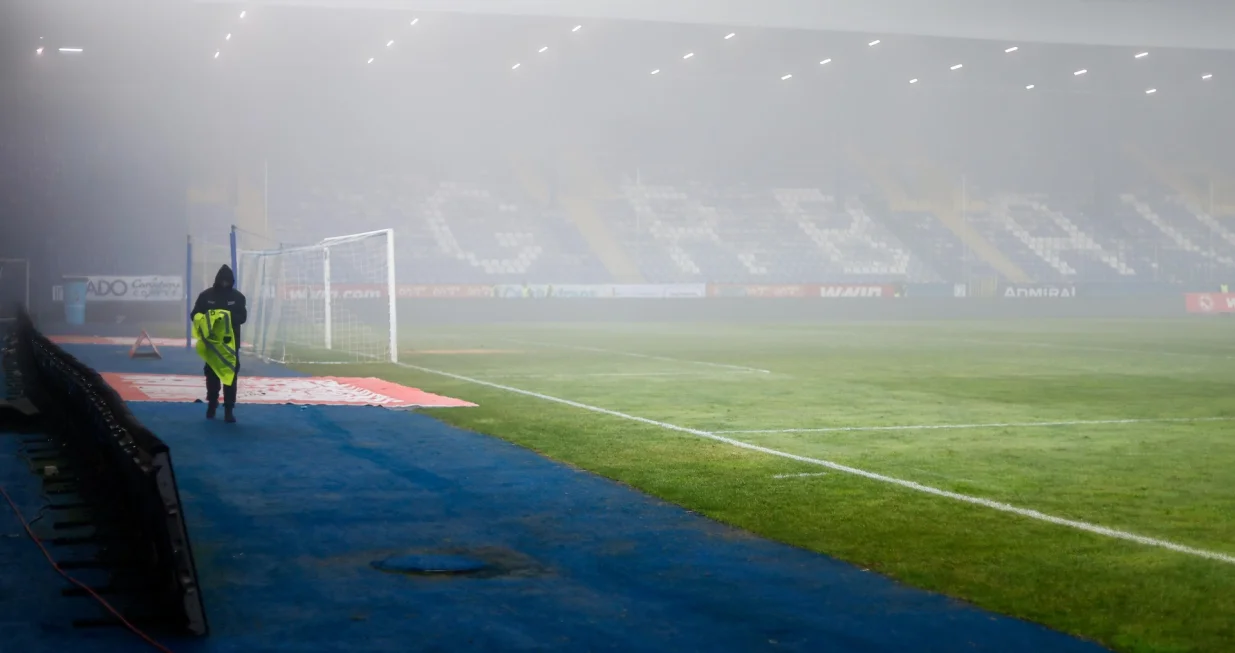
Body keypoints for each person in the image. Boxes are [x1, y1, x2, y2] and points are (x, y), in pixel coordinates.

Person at [191, 265, 247, 422]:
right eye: (222, 280)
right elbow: (195, 314)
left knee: (230, 377)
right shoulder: (206, 296)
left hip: (230, 345)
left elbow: (242, 317)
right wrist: (208, 319)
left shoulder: (238, 297)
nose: (224, 283)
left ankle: (229, 409)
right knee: (212, 376)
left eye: (227, 281)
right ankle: (212, 403)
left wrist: (225, 318)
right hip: (212, 345)